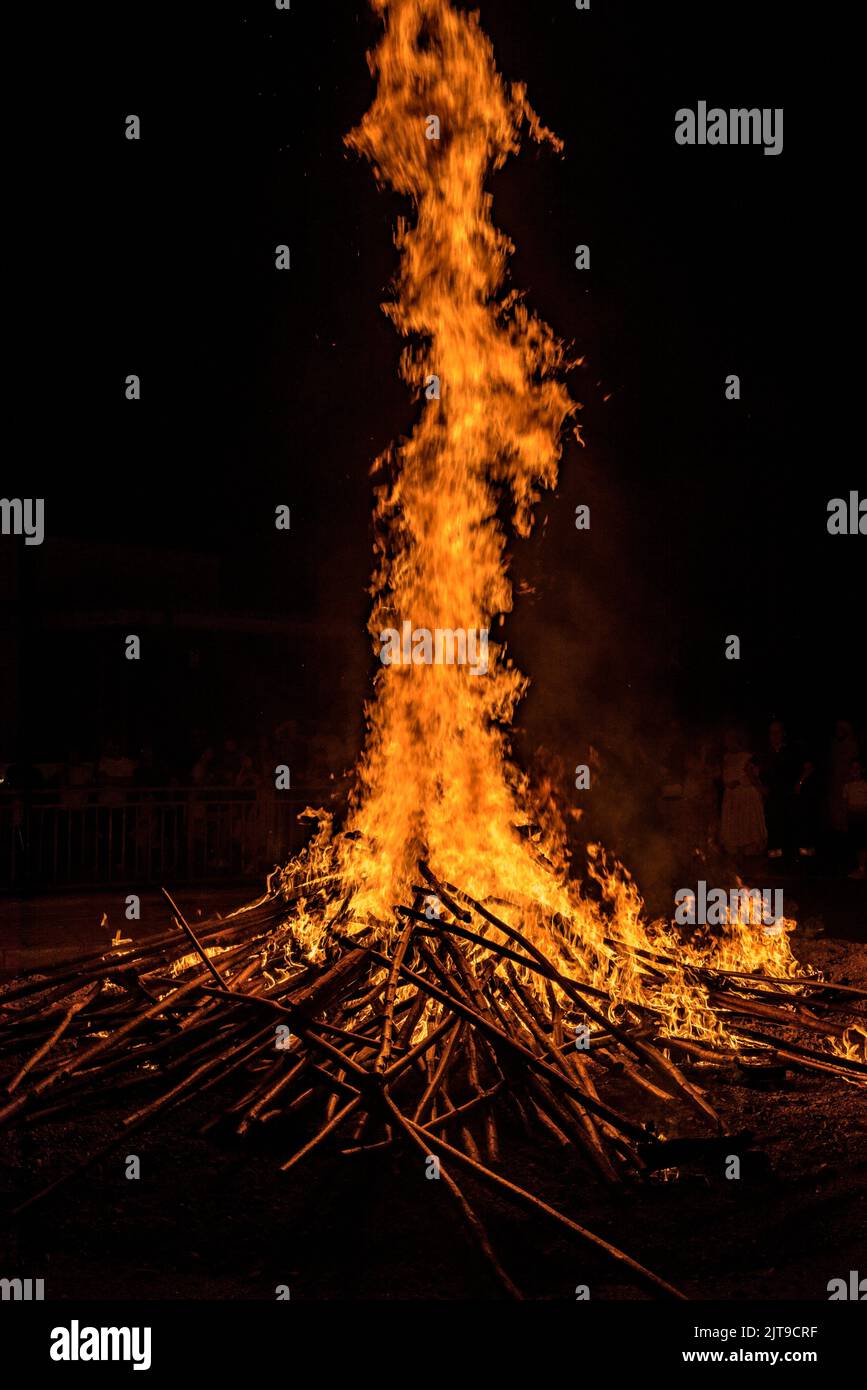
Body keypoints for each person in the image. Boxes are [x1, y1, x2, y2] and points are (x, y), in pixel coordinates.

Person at [720, 728, 767, 857]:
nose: (727, 742)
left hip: (745, 796)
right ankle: (736, 857)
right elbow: (724, 774)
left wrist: (740, 781)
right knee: (734, 829)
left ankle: (751, 855)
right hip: (731, 797)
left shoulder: (747, 756)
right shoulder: (726, 757)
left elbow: (753, 776)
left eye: (730, 739)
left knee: (747, 826)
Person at [760, 720, 799, 861]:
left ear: (783, 733)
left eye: (777, 732)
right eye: (772, 732)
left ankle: (790, 857)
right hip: (772, 795)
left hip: (788, 794)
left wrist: (799, 783)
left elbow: (806, 767)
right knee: (773, 824)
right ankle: (774, 858)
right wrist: (760, 787)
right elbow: (749, 768)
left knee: (789, 823)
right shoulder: (765, 753)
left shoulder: (790, 751)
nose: (775, 735)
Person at [843, 758, 867, 879]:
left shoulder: (865, 785)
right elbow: (846, 804)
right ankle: (860, 868)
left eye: (857, 768)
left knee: (863, 843)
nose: (855, 771)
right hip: (853, 818)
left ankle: (862, 869)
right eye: (852, 768)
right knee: (856, 844)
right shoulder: (847, 786)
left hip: (863, 817)